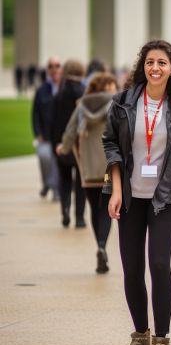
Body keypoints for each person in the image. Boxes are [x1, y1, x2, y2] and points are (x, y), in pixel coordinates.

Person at [103, 39, 171, 345]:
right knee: (131, 269)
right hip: (130, 196)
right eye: (149, 62)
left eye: (162, 63)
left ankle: (162, 342)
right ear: (142, 66)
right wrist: (116, 190)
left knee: (159, 263)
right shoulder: (124, 101)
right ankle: (140, 338)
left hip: (167, 196)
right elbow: (111, 144)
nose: (155, 68)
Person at [57, 73, 117, 273]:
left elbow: (70, 131)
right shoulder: (116, 104)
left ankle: (99, 247)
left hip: (88, 169)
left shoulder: (81, 106)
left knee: (94, 209)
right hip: (110, 168)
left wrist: (64, 148)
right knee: (107, 210)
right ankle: (102, 244)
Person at [51, 59, 87, 228]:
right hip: (81, 146)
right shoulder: (85, 93)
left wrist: (55, 144)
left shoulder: (59, 94)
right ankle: (79, 217)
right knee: (81, 183)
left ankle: (65, 210)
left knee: (64, 179)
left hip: (62, 144)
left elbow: (53, 122)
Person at [32, 56, 62, 200]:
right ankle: (46, 184)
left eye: (57, 65)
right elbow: (35, 113)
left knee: (56, 162)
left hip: (60, 135)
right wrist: (37, 132)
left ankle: (55, 189)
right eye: (51, 66)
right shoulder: (41, 90)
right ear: (47, 69)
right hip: (44, 134)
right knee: (44, 159)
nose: (54, 69)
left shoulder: (64, 87)